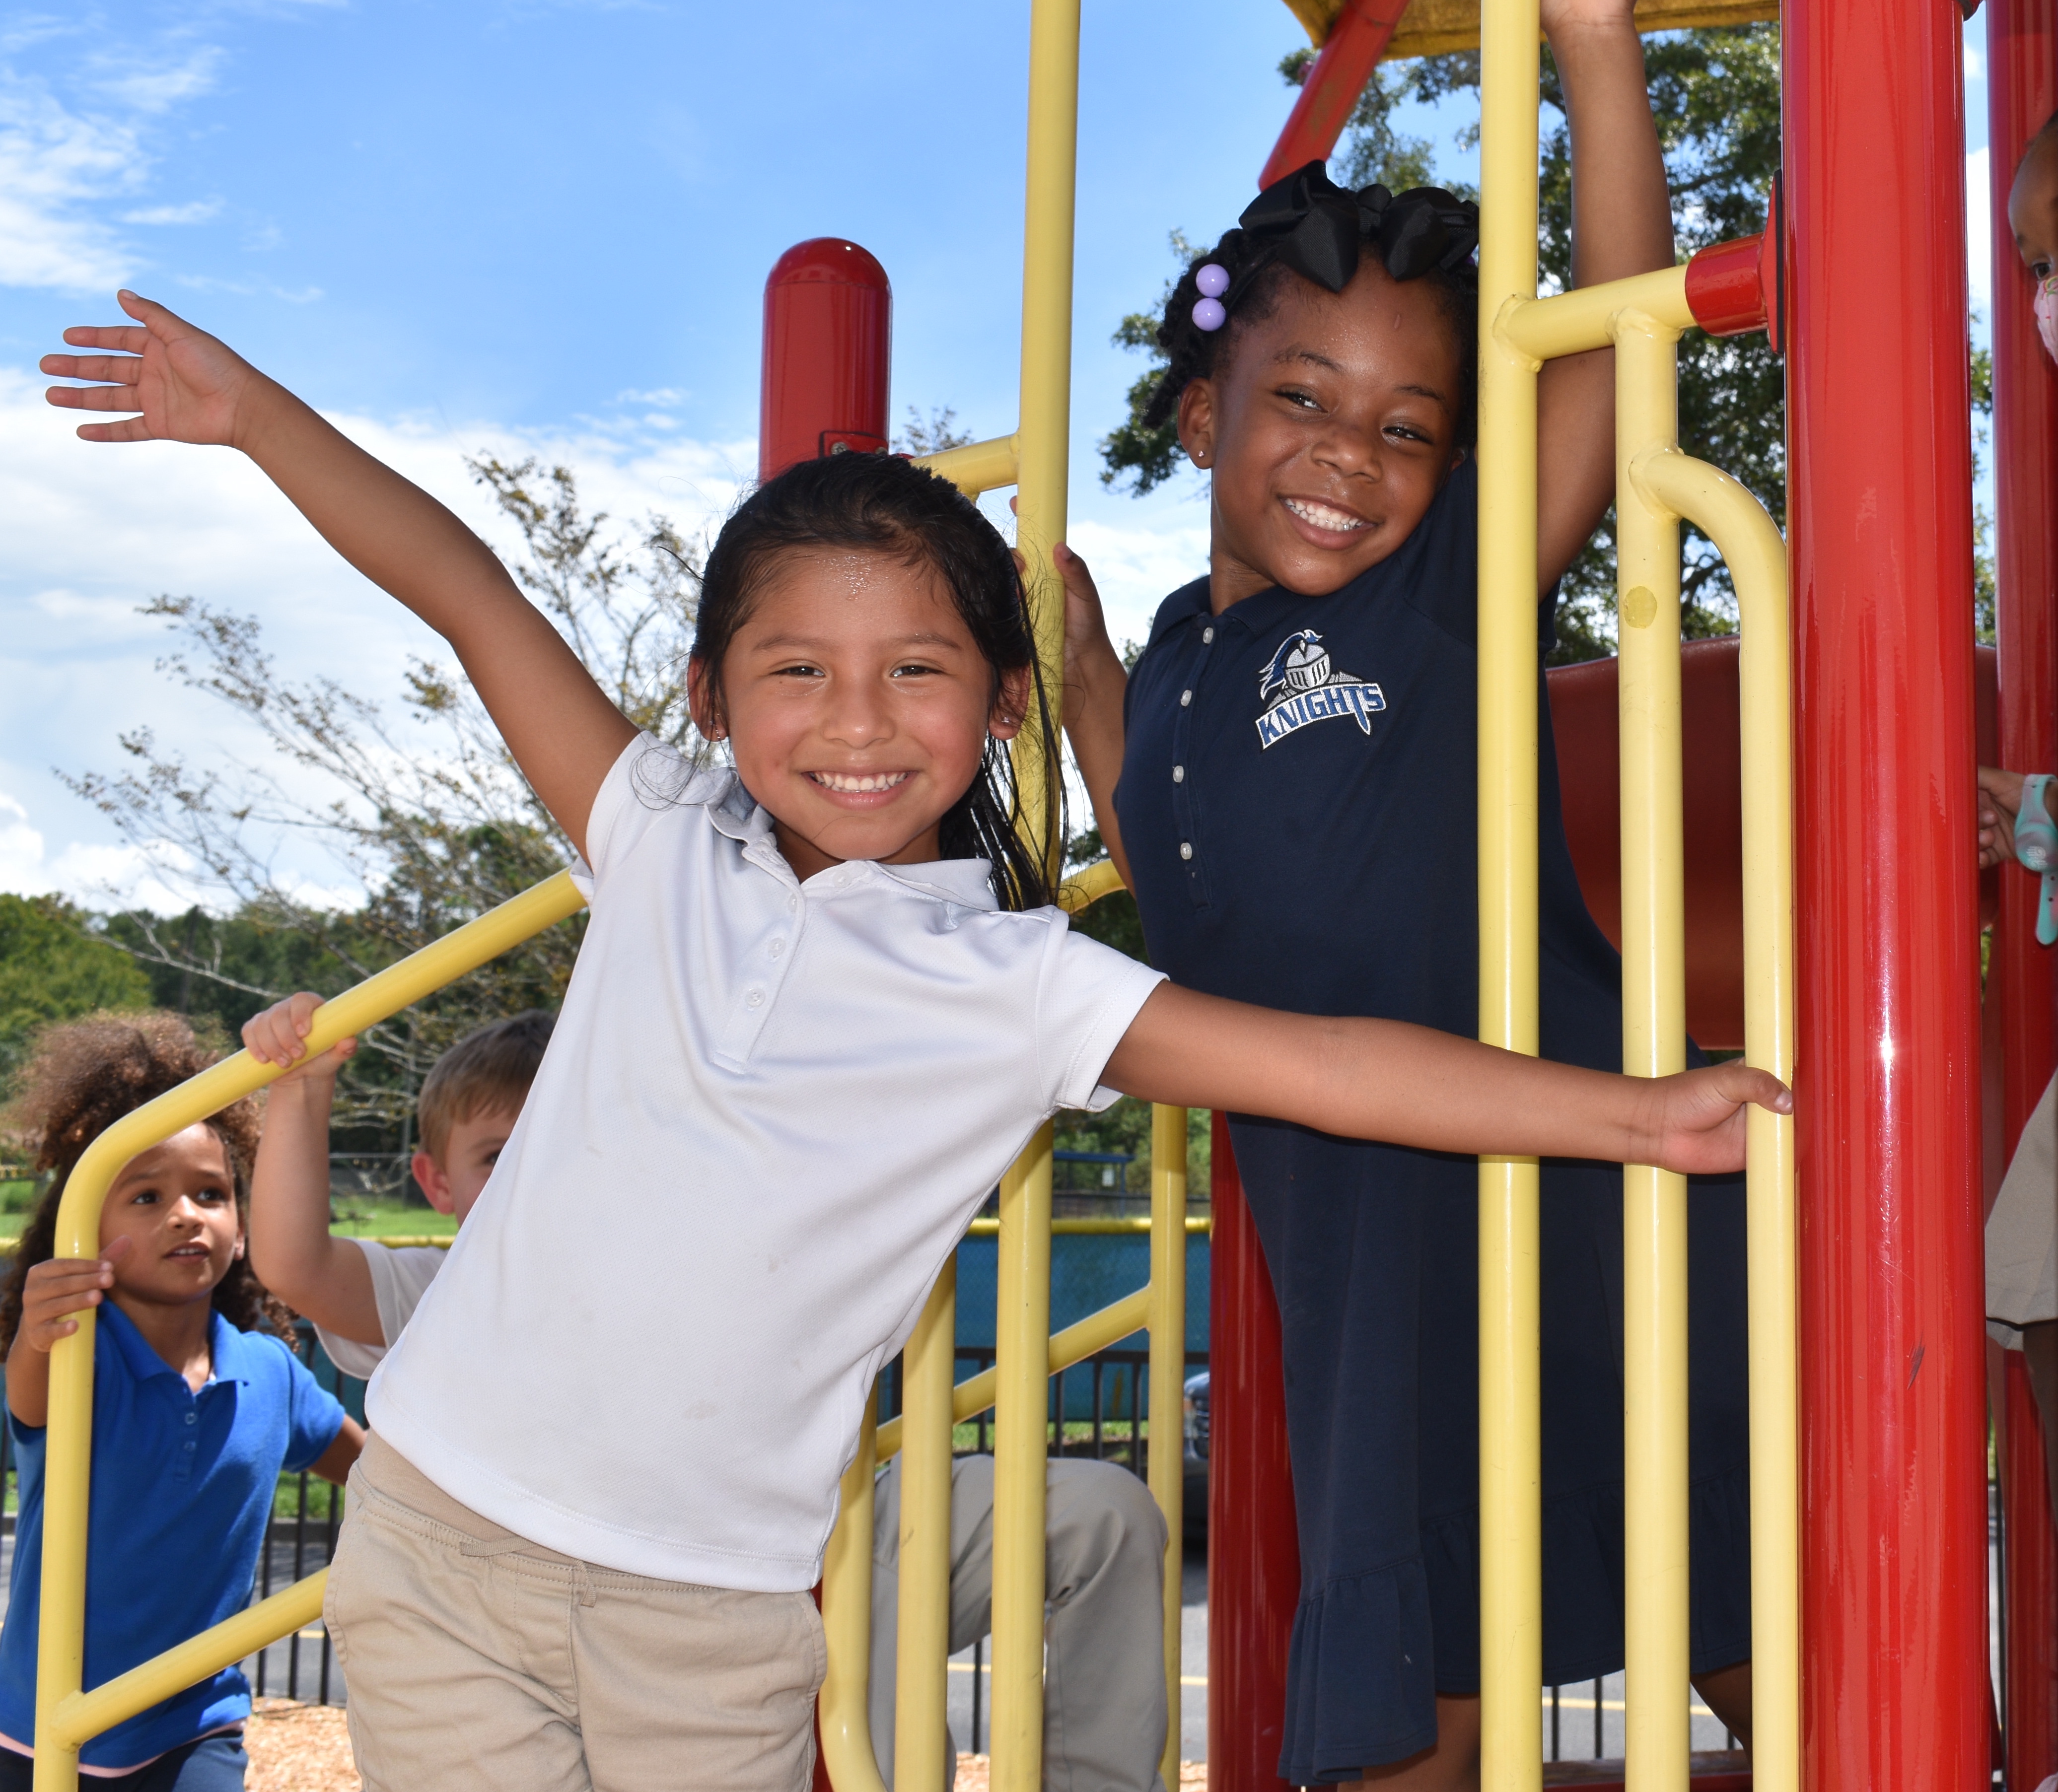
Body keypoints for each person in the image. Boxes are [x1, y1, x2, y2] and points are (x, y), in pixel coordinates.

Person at [39, 304, 1786, 1792]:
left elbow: (1331, 1064)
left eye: (918, 672)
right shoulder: (655, 839)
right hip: (440, 1540)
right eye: (795, 668)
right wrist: (254, 418)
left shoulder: (1014, 986)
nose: (856, 722)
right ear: (713, 698)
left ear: (1004, 705)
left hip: (705, 1611)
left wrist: (1627, 1115)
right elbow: (468, 592)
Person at [1055, 1, 1753, 1783]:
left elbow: (1608, 359)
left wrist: (1592, 43)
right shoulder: (1178, 665)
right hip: (1367, 1244)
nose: (1348, 456)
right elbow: (1193, 892)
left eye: (1408, 425)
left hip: (1583, 1179)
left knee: (1743, 1621)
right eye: (1299, 399)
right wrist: (1076, 690)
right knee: (1407, 1691)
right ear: (1202, 411)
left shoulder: (1423, 605)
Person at [245, 1004, 1175, 1792]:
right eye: (499, 1156)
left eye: (566, 1144)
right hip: (651, 1584)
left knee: (1101, 1513)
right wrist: (301, 1088)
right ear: (435, 1183)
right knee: (848, 1722)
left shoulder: (699, 1237)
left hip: (817, 1525)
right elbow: (293, 1261)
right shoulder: (445, 1290)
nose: (538, 1176)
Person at [0, 1014, 362, 1791]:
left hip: (196, 1723)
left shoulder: (270, 1372)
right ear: (84, 1222)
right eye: (145, 1195)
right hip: (40, 1729)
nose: (187, 1213)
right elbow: (28, 1397)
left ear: (240, 1219)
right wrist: (39, 1327)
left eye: (211, 1192)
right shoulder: (75, 1354)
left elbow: (372, 1472)